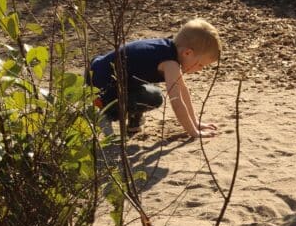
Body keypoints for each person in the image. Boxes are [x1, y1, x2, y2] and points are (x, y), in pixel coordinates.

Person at [88, 18, 221, 138]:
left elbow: (183, 91)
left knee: (152, 94)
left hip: (101, 71)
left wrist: (195, 123)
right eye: (201, 64)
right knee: (155, 97)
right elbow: (177, 101)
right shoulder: (170, 63)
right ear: (187, 53)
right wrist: (193, 132)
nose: (200, 69)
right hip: (100, 84)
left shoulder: (169, 49)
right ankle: (105, 114)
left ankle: (133, 120)